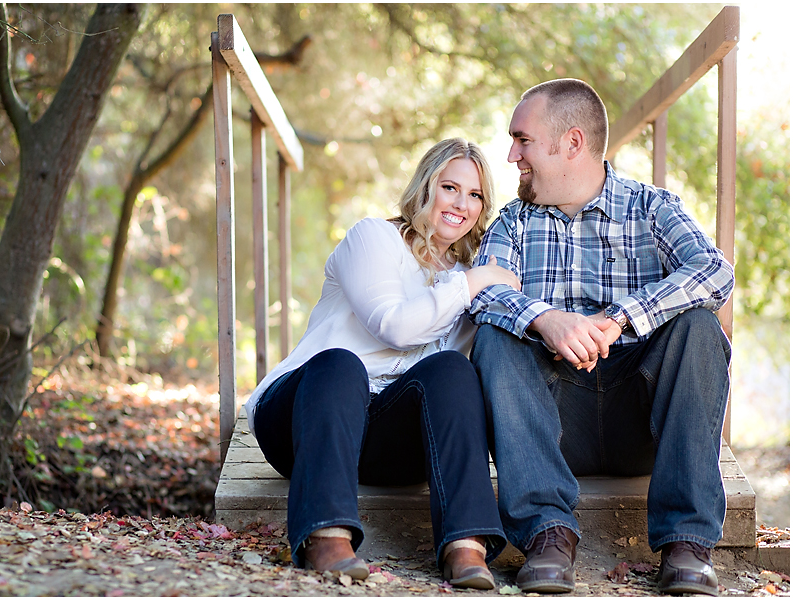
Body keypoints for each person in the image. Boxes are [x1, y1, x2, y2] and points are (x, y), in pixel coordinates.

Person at [468, 79, 734, 596]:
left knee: (700, 325)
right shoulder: (515, 222)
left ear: (571, 142)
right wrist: (547, 319)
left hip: (643, 417)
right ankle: (547, 533)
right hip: (552, 424)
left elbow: (714, 272)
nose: (510, 155)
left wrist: (620, 319)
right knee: (495, 337)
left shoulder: (652, 207)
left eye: (522, 140)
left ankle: (686, 543)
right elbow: (481, 294)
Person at [245, 138, 520, 590]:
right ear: (424, 186)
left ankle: (465, 546)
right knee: (340, 364)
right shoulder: (373, 238)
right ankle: (325, 536)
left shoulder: (468, 276)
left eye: (475, 196)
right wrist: (471, 283)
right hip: (306, 419)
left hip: (391, 439)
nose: (461, 204)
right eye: (450, 187)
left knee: (452, 370)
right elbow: (392, 326)